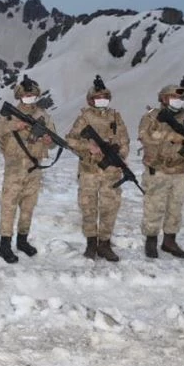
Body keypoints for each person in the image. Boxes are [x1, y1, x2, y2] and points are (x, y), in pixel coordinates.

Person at [0, 77, 56, 263]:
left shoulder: (44, 116)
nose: (29, 97)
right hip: (14, 168)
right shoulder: (9, 115)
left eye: (33, 94)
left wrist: (48, 142)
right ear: (19, 95)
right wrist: (14, 125)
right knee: (8, 206)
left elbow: (51, 144)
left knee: (28, 206)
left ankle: (22, 240)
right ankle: (5, 245)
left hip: (34, 168)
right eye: (26, 94)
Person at [65, 75, 130, 262]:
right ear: (91, 100)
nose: (102, 101)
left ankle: (105, 244)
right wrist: (89, 147)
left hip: (111, 173)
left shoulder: (116, 118)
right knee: (88, 207)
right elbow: (70, 139)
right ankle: (91, 243)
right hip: (89, 172)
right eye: (97, 98)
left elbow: (125, 141)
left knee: (110, 208)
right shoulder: (84, 118)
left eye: (105, 97)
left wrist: (121, 156)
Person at [137, 83, 184, 259]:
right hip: (158, 169)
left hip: (179, 171)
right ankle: (151, 241)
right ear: (164, 98)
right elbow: (146, 137)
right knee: (154, 206)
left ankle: (169, 241)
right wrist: (172, 137)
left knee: (175, 207)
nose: (178, 101)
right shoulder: (152, 117)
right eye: (174, 97)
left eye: (181, 98)